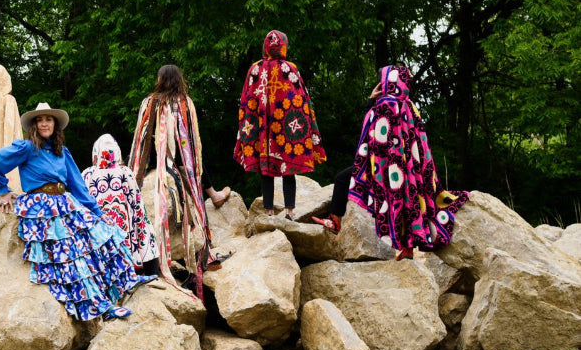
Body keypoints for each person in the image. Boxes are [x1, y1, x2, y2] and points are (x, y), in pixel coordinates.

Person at [0, 103, 142, 320]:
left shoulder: (62, 152)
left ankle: (127, 280)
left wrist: (97, 212)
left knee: (104, 236)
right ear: (34, 125)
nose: (44, 123)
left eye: (48, 119)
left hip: (65, 203)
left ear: (55, 124)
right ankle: (101, 307)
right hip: (42, 208)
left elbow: (77, 186)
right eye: (40, 120)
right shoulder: (27, 148)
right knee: (73, 257)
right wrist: (3, 189)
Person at [335, 65, 466, 259]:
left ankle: (334, 222)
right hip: (409, 169)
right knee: (408, 204)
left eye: (383, 80)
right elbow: (420, 143)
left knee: (345, 180)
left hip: (384, 168)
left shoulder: (385, 104)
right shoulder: (410, 105)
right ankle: (408, 248)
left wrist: (371, 101)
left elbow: (371, 131)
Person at [130, 65, 222, 296]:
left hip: (153, 160)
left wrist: (139, 171)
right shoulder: (185, 102)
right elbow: (192, 140)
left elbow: (141, 138)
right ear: (179, 79)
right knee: (195, 162)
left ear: (160, 79)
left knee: (193, 160)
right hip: (181, 161)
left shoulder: (148, 101)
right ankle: (213, 193)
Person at [234, 30, 325, 217]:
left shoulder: (254, 69)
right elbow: (302, 100)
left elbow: (246, 100)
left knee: (265, 170)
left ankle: (269, 211)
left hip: (262, 127)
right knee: (288, 167)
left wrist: (248, 124)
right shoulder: (289, 68)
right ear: (283, 45)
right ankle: (290, 211)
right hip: (286, 126)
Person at [82, 134, 158, 275]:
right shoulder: (125, 172)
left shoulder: (88, 174)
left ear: (95, 152)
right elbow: (137, 207)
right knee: (142, 225)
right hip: (125, 228)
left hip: (98, 230)